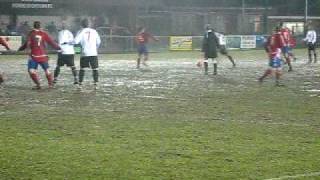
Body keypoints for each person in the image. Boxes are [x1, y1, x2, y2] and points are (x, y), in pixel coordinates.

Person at [18, 21, 60, 90]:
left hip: (34, 56)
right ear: (40, 27)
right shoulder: (44, 33)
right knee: (47, 70)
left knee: (31, 71)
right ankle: (51, 84)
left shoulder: (31, 33)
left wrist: (21, 49)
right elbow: (51, 42)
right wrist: (59, 48)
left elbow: (27, 43)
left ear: (33, 26)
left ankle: (38, 85)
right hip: (43, 55)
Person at [74, 19, 101, 90]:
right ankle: (96, 84)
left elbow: (76, 41)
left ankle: (80, 84)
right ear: (89, 24)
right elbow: (98, 42)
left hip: (84, 53)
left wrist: (77, 51)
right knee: (95, 69)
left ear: (81, 25)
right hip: (93, 53)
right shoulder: (94, 31)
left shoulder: (80, 31)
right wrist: (95, 48)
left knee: (82, 69)